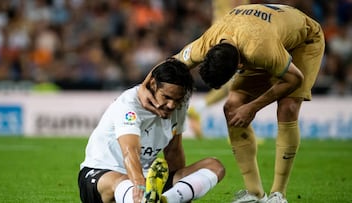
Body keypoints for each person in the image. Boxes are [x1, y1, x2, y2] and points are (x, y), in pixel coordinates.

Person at [137, 4, 325, 203]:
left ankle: (278, 195)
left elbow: (294, 79)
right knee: (232, 108)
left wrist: (253, 107)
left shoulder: (260, 49)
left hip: (303, 40)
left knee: (288, 107)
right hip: (259, 34)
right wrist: (143, 85)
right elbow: (171, 63)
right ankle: (255, 194)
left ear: (239, 65)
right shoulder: (208, 41)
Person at [78, 58, 225, 203]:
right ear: (153, 84)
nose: (171, 105)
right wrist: (139, 183)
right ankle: (142, 199)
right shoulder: (129, 104)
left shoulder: (180, 104)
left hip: (149, 178)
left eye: (177, 99)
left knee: (214, 166)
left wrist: (180, 189)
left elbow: (173, 151)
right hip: (102, 174)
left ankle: (167, 200)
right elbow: (130, 150)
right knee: (124, 181)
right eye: (166, 97)